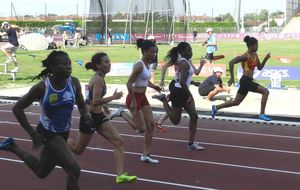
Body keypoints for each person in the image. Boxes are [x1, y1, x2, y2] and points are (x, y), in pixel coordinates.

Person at [0, 51, 94, 190]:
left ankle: (12, 146)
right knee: (74, 169)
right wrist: (32, 133)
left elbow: (81, 105)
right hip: (47, 133)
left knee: (40, 171)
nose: (68, 67)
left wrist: (86, 115)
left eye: (69, 63)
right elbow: (17, 108)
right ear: (53, 67)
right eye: (64, 64)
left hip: (64, 132)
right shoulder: (42, 87)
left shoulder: (74, 82)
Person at [67, 52, 137, 184]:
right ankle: (60, 140)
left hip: (99, 116)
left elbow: (92, 98)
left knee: (118, 141)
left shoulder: (100, 77)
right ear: (98, 65)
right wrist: (113, 98)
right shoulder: (98, 79)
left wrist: (104, 106)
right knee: (77, 149)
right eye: (106, 62)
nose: (109, 64)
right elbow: (95, 101)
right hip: (89, 117)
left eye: (109, 61)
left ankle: (120, 175)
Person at [112, 39, 161, 164]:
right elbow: (129, 83)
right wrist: (133, 101)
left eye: (155, 53)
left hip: (142, 97)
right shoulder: (139, 65)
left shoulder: (147, 65)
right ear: (144, 51)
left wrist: (154, 86)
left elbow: (144, 81)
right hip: (133, 97)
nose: (153, 55)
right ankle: (121, 112)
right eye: (151, 52)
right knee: (141, 129)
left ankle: (145, 155)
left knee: (151, 125)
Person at [153, 42, 205, 151]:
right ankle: (163, 100)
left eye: (191, 50)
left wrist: (193, 82)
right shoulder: (183, 63)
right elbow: (182, 82)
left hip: (182, 90)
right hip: (179, 92)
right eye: (189, 50)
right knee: (176, 121)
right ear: (182, 52)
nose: (191, 52)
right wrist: (189, 94)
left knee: (194, 116)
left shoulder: (186, 62)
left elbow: (187, 78)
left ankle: (191, 144)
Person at [211, 35, 272, 121]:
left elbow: (259, 67)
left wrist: (265, 59)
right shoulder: (245, 56)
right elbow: (231, 62)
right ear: (251, 46)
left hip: (247, 81)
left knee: (236, 102)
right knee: (265, 91)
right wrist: (232, 78)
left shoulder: (255, 55)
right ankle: (262, 114)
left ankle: (216, 107)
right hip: (245, 81)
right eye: (256, 45)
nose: (257, 47)